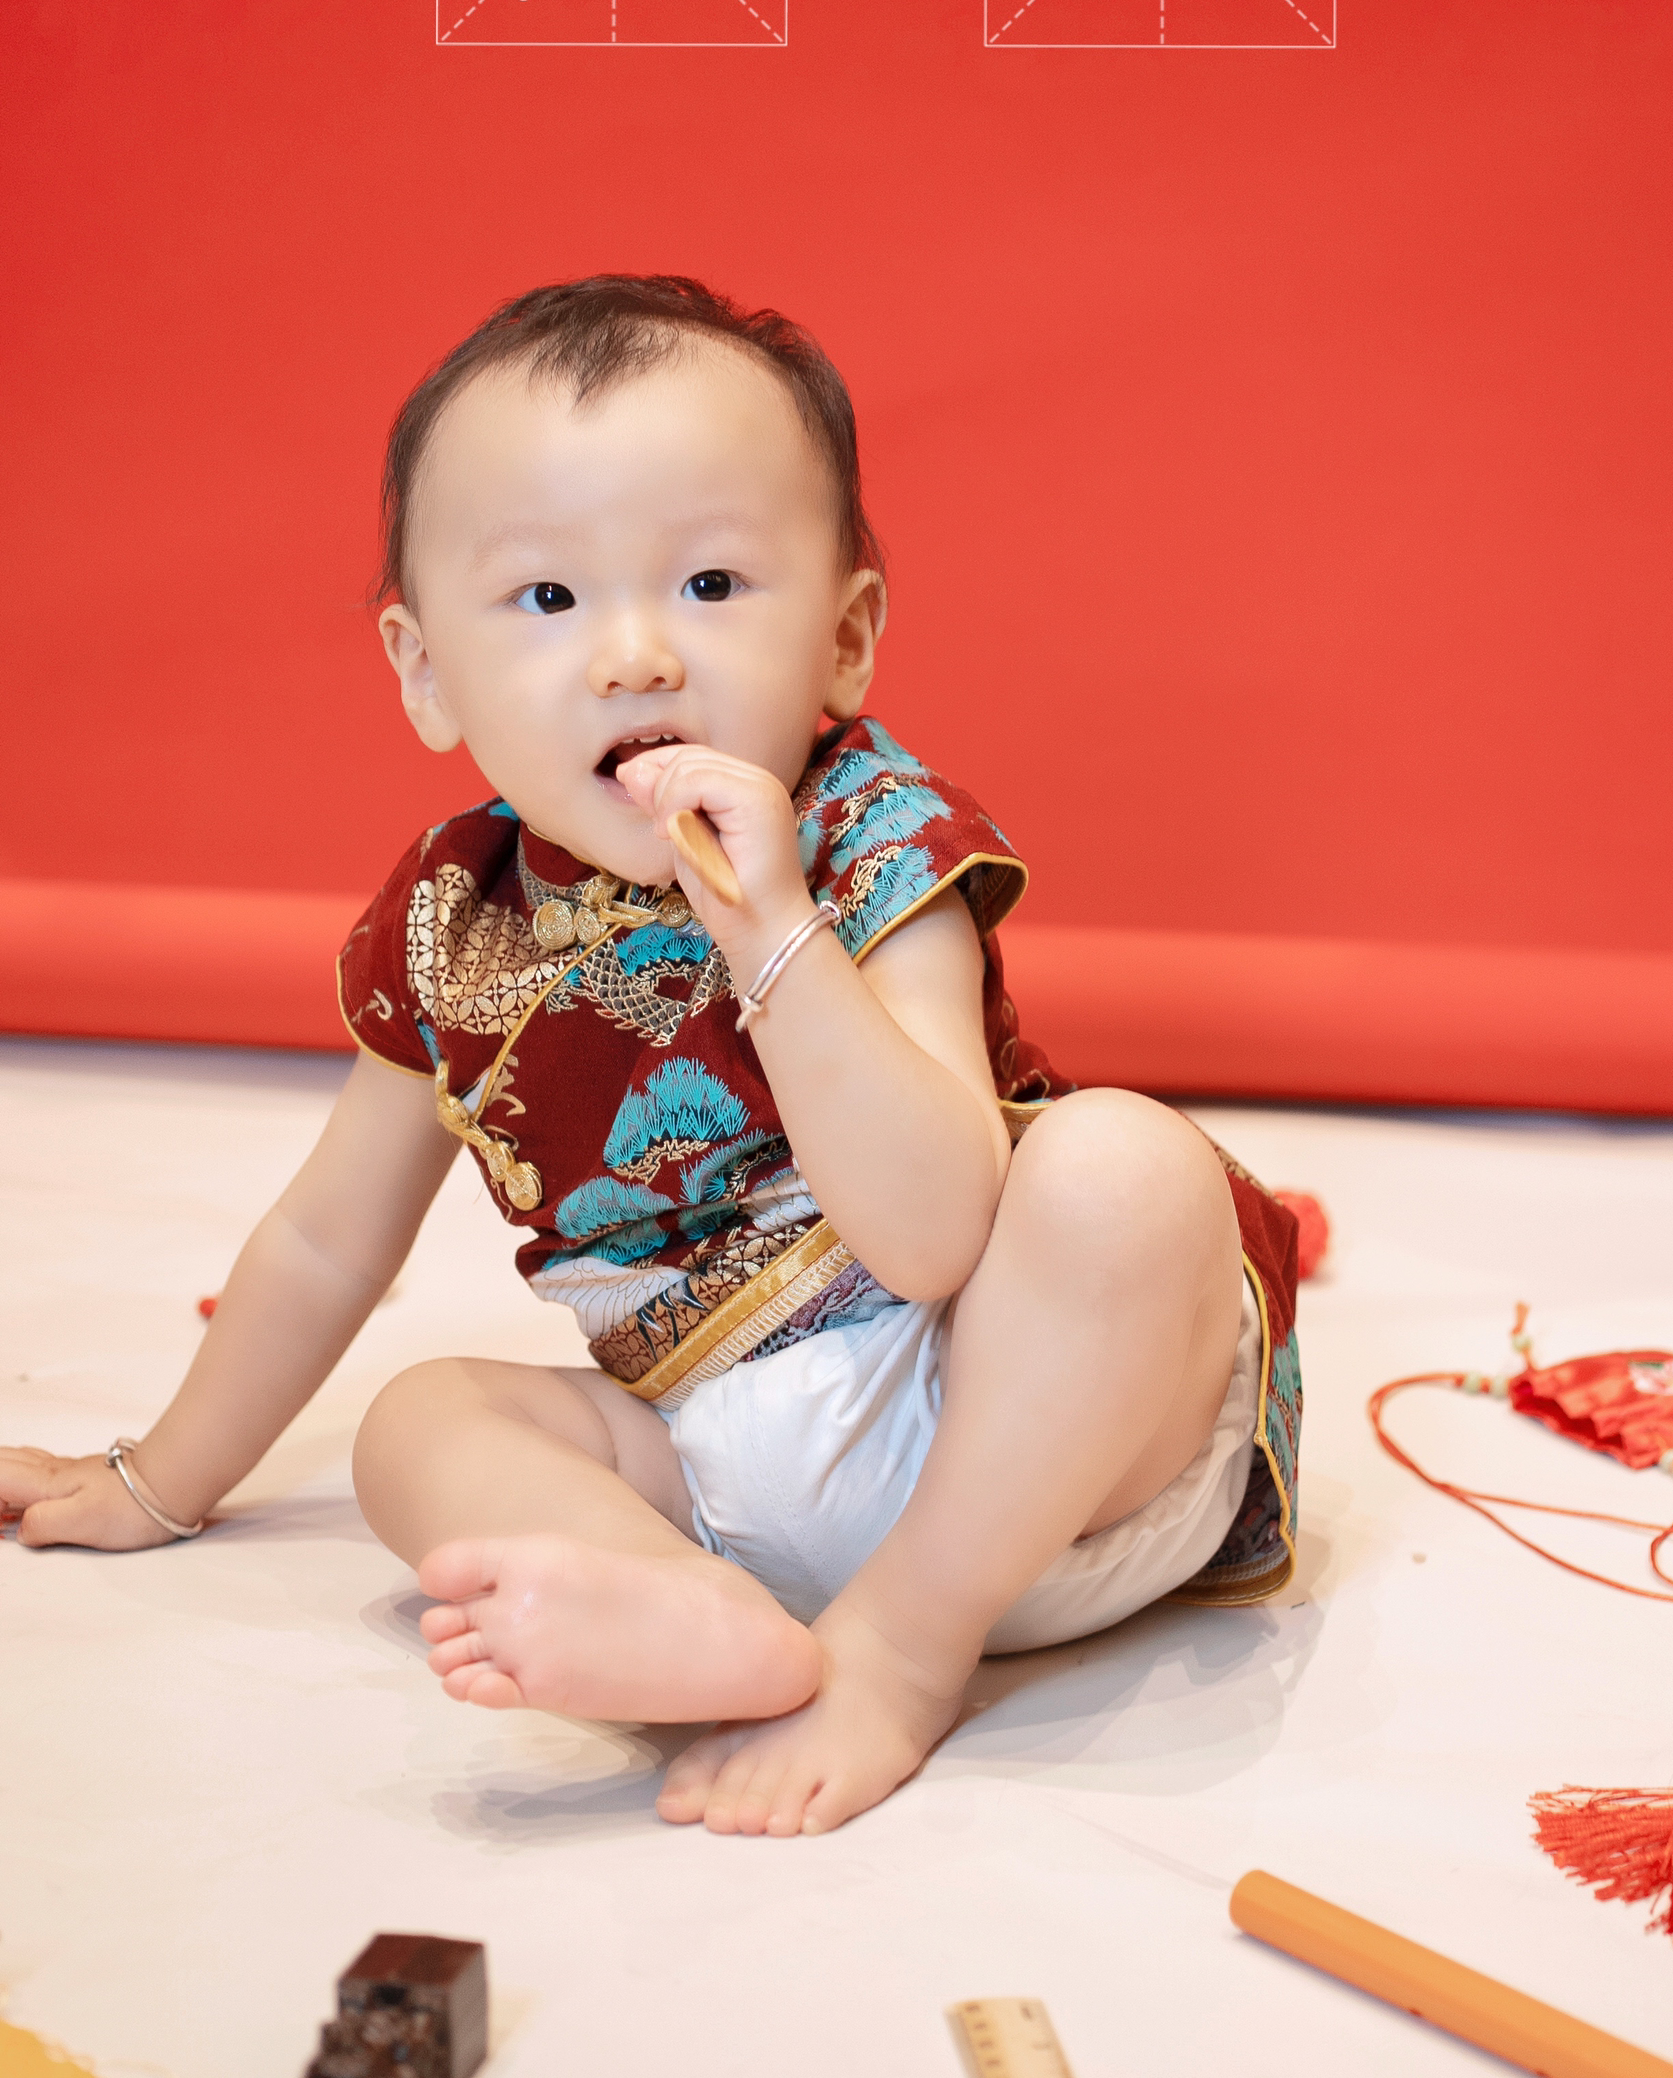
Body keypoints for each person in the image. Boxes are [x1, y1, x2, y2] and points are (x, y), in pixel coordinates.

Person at [0, 275, 1300, 1836]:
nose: (632, 657)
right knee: (420, 1426)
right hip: (716, 1459)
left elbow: (937, 1233)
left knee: (1126, 1171)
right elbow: (327, 1239)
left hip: (1029, 1446)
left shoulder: (870, 841)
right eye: (549, 598)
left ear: (845, 640)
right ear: (424, 672)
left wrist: (774, 936)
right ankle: (694, 1617)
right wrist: (159, 1481)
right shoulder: (456, 922)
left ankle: (900, 1650)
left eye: (711, 583)